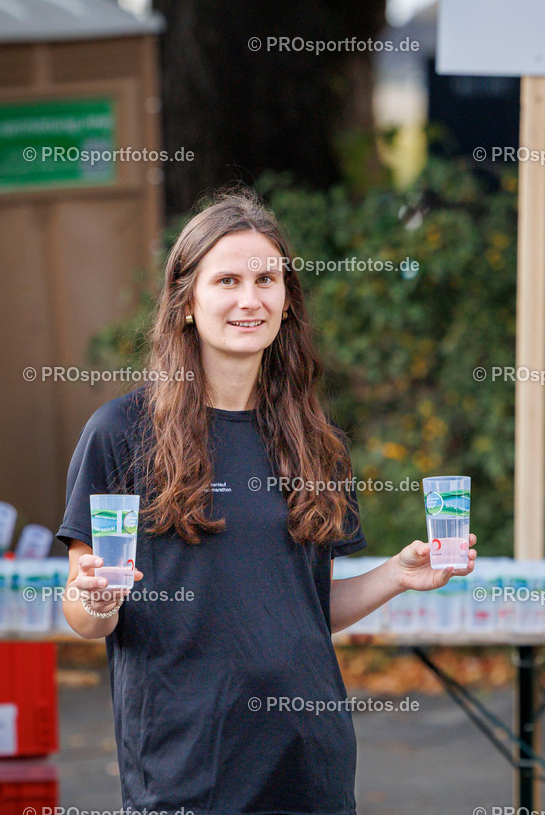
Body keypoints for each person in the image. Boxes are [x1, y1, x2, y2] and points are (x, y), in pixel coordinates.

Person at [57, 186, 477, 815]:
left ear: (287, 301)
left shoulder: (317, 444)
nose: (249, 299)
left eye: (267, 279)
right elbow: (89, 616)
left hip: (310, 761)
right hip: (185, 768)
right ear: (186, 303)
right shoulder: (120, 433)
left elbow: (306, 609)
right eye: (226, 280)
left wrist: (396, 575)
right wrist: (93, 597)